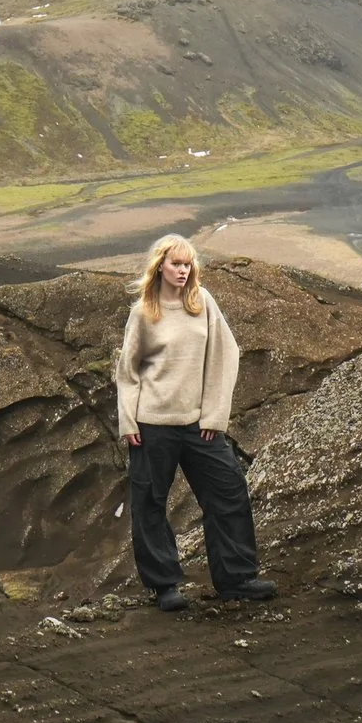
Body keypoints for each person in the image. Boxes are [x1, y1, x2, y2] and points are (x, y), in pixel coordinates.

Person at [115, 234, 276, 611]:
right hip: (150, 424)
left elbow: (226, 354)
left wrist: (214, 415)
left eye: (188, 264)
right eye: (176, 264)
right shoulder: (143, 312)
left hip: (198, 424)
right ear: (160, 266)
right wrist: (129, 422)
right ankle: (165, 585)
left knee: (229, 490)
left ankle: (237, 578)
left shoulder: (202, 303)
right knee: (150, 502)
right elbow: (128, 371)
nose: (183, 270)